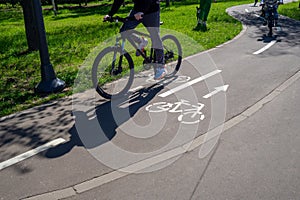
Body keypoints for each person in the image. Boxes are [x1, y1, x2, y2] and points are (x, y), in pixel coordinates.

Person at [104, 0, 167, 80]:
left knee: (155, 36)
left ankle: (161, 67)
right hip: (137, 10)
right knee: (124, 31)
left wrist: (142, 11)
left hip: (152, 10)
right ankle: (141, 41)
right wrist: (110, 14)